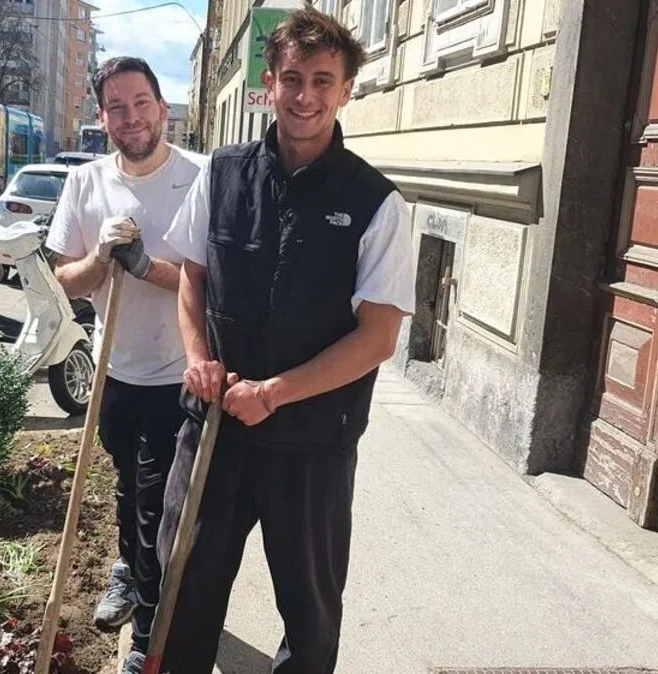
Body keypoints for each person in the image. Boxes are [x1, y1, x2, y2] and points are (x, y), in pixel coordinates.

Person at [157, 8, 416, 673]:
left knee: (310, 613)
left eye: (322, 81)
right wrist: (198, 359)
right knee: (182, 588)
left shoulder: (376, 202)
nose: (305, 96)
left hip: (312, 445)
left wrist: (274, 393)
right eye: (292, 79)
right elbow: (191, 277)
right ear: (268, 83)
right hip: (215, 429)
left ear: (346, 89)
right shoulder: (222, 174)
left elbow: (378, 337)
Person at [44, 56, 206, 674]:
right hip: (114, 369)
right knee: (126, 483)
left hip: (177, 373)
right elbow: (66, 280)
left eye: (141, 103)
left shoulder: (198, 177)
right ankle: (127, 570)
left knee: (156, 506)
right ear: (103, 116)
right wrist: (104, 258)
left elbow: (209, 281)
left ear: (162, 108)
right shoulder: (85, 182)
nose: (131, 117)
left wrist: (145, 267)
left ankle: (145, 638)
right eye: (117, 107)